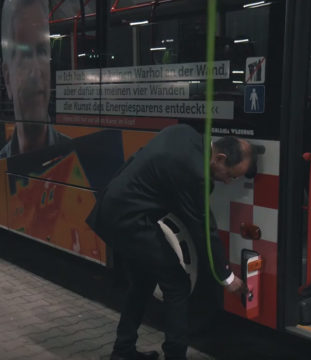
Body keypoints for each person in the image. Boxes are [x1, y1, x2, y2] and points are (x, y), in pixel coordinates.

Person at [86, 124, 257, 360]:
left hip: (117, 206)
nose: (228, 182)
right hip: (129, 220)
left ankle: (123, 351)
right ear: (219, 157)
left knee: (143, 281)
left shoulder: (185, 133)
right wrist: (227, 278)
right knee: (177, 285)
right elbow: (205, 231)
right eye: (230, 175)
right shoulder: (195, 172)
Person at [0, 0, 69, 158]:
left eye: (42, 51)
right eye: (24, 55)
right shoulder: (2, 168)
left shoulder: (74, 158)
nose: (36, 71)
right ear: (7, 78)